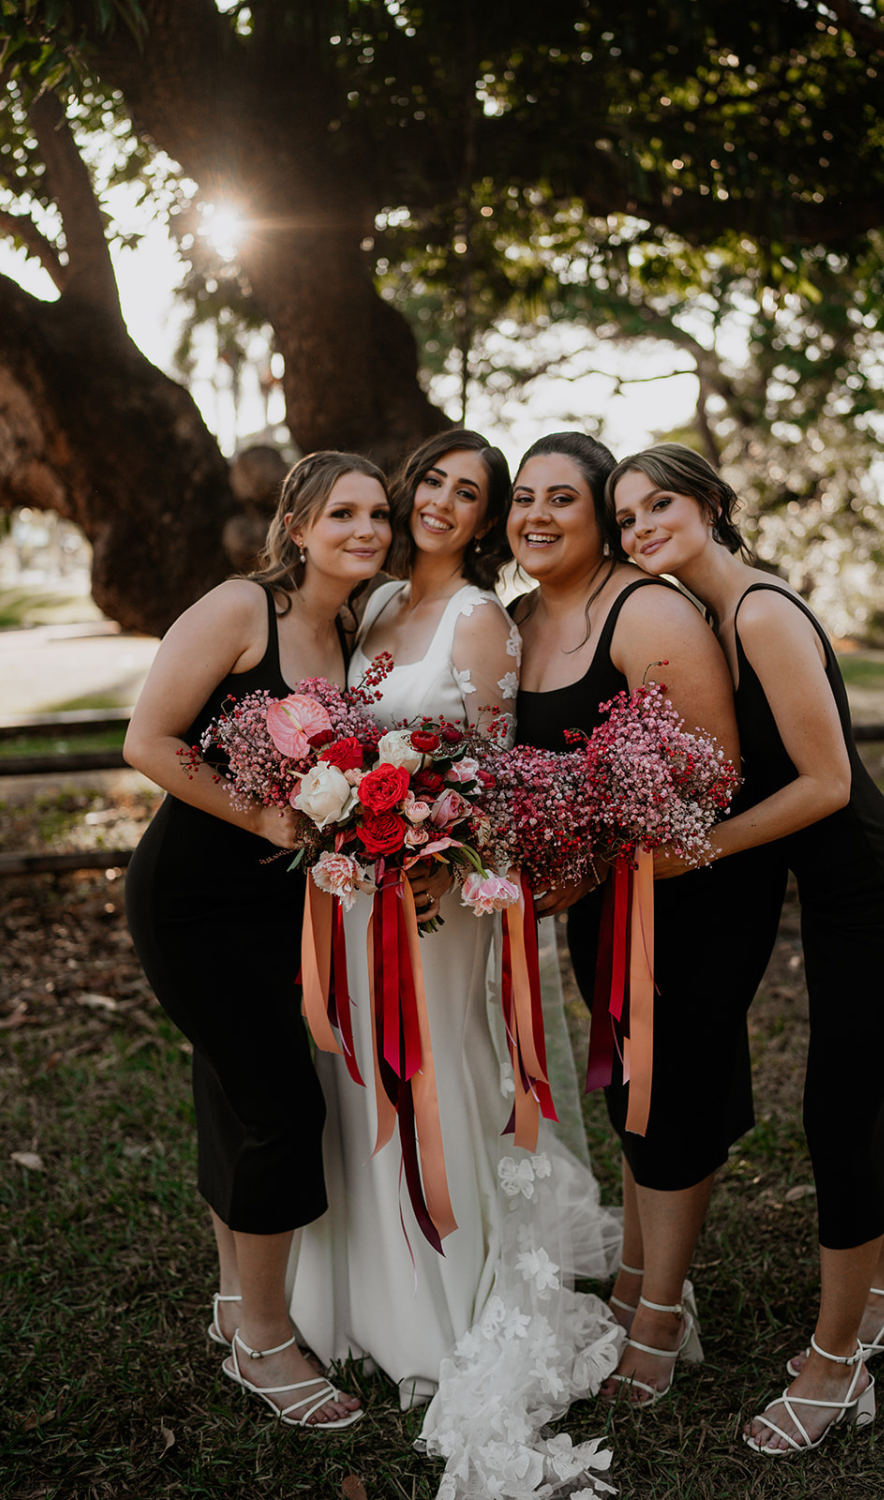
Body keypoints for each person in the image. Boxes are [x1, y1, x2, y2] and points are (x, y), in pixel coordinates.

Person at [288, 430, 623, 1498]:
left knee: (432, 1083)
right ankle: (356, 1303)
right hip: (351, 892)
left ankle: (440, 1305)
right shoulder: (373, 604)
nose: (440, 501)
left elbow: (497, 779)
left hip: (437, 900)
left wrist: (440, 846)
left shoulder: (480, 622)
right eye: (430, 481)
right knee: (354, 1081)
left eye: (465, 493)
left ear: (484, 522)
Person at [608, 441, 884, 1455]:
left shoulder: (756, 609)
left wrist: (695, 852)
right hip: (839, 897)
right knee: (872, 1091)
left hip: (879, 889)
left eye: (658, 503)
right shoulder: (712, 614)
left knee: (838, 1116)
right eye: (624, 518)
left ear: (711, 503)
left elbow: (827, 784)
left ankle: (833, 1366)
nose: (639, 528)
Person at [507, 432, 788, 1409]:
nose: (537, 515)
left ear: (600, 523)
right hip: (602, 894)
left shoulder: (647, 607)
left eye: (564, 500)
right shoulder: (515, 620)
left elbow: (714, 773)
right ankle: (633, 1286)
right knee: (633, 1086)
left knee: (670, 1095)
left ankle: (661, 1324)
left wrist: (595, 858)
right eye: (523, 497)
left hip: (693, 888)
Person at [124, 450, 395, 1430]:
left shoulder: (350, 628)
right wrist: (266, 823)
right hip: (193, 896)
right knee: (280, 1104)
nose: (365, 530)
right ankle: (267, 1348)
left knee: (234, 1092)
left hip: (280, 905)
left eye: (377, 514)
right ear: (297, 526)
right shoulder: (243, 609)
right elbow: (146, 741)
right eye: (343, 513)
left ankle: (239, 1309)